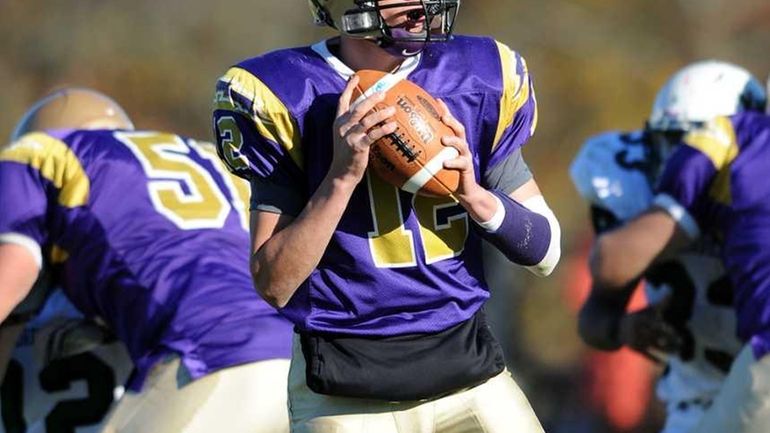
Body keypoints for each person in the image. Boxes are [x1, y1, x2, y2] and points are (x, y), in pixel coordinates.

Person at [212, 1, 561, 432]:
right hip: (346, 393)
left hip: (469, 376)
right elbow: (275, 283)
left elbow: (545, 251)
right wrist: (339, 180)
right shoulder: (289, 94)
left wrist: (475, 196)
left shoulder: (478, 76)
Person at [0, 88, 294, 433]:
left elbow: (10, 275)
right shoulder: (220, 164)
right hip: (302, 362)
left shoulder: (39, 154)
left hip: (206, 360)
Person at [588, 59, 770, 433]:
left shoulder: (732, 158)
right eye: (668, 143)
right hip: (694, 399)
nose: (674, 160)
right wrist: (623, 328)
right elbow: (596, 313)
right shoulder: (645, 199)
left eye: (686, 145)